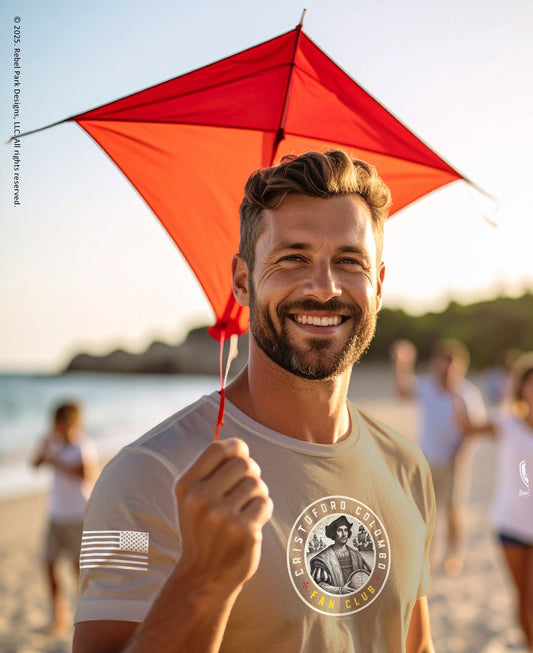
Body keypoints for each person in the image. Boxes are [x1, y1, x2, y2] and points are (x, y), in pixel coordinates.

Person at [73, 150, 436, 653]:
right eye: (293, 258)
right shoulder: (142, 476)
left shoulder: (407, 466)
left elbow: (414, 644)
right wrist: (203, 581)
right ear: (243, 281)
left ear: (377, 285)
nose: (324, 287)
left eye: (349, 262)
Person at [455, 353, 533, 650]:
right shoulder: (505, 422)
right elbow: (468, 427)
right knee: (524, 601)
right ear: (522, 388)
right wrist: (456, 390)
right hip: (511, 523)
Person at [391, 337, 486, 576]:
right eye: (444, 362)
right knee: (427, 511)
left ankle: (453, 555)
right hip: (426, 460)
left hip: (453, 462)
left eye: (452, 363)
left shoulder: (466, 393)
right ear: (436, 364)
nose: (447, 368)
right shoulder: (426, 387)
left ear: (461, 366)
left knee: (454, 510)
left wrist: (460, 453)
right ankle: (428, 555)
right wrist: (402, 364)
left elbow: (474, 430)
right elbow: (402, 392)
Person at [32, 401, 98, 634]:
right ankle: (57, 617)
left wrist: (56, 462)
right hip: (55, 514)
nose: (55, 428)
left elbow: (88, 474)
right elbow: (34, 464)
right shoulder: (53, 444)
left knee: (77, 569)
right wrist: (44, 449)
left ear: (68, 423)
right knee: (48, 564)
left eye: (58, 424)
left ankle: (84, 617)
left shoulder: (83, 445)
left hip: (77, 515)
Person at [310, 515, 371, 593]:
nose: (344, 534)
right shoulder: (323, 559)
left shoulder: (356, 555)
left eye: (346, 530)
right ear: (333, 533)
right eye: (340, 530)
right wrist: (340, 590)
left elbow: (367, 576)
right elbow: (318, 584)